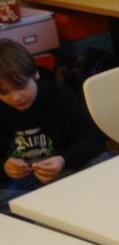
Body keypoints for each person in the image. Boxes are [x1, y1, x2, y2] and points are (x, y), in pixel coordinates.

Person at [0, 40, 107, 212]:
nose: (16, 97)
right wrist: (4, 167)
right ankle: (38, 211)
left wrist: (63, 159)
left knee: (103, 164)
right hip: (19, 186)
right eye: (3, 92)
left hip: (65, 172)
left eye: (20, 86)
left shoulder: (58, 95)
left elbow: (93, 139)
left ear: (35, 74)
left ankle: (37, 210)